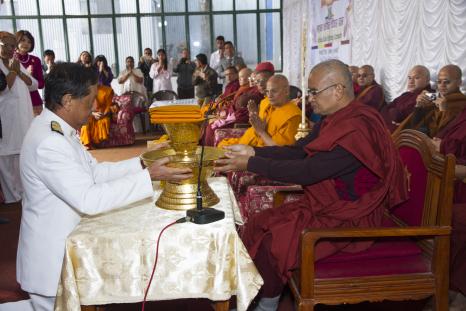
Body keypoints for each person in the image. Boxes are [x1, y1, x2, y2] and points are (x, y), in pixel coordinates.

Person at [214, 59, 408, 311]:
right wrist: (253, 151)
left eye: (314, 92)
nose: (309, 99)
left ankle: (267, 306)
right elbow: (298, 151)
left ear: (338, 90)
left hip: (350, 219)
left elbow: (308, 171)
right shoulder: (334, 119)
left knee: (273, 243)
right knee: (257, 223)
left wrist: (250, 164)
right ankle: (261, 299)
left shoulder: (356, 128)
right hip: (327, 206)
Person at [16, 62, 193, 311]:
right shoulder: (49, 142)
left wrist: (142, 164)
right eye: (88, 104)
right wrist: (149, 178)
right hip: (51, 263)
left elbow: (94, 172)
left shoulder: (59, 130)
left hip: (67, 252)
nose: (92, 110)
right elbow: (89, 199)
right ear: (68, 101)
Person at [0, 31, 37, 204]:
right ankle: (11, 198)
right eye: (5, 45)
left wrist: (19, 72)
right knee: (6, 158)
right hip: (6, 119)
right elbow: (4, 89)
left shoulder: (15, 63)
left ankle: (22, 195)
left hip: (23, 117)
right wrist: (14, 72)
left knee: (22, 156)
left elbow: (34, 85)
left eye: (12, 46)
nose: (9, 49)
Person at [217, 74, 301, 148]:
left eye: (274, 91)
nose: (269, 95)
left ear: (286, 91)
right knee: (221, 146)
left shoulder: (292, 116)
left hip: (263, 154)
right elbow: (257, 128)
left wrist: (261, 132)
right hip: (249, 142)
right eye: (267, 91)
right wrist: (255, 115)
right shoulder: (266, 103)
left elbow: (279, 150)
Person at [394, 64, 466, 138]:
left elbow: (446, 134)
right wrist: (418, 106)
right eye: (439, 82)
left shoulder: (462, 103)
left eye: (447, 82)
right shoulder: (434, 97)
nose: (442, 85)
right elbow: (415, 125)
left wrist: (443, 110)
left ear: (459, 83)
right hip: (420, 138)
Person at [203, 67, 263, 146]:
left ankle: (209, 152)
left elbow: (245, 111)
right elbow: (233, 102)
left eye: (254, 79)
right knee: (207, 121)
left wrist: (228, 113)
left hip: (238, 119)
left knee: (210, 126)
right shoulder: (245, 89)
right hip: (230, 112)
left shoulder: (255, 93)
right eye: (250, 78)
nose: (251, 80)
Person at [380, 65, 433, 132]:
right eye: (410, 78)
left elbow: (414, 118)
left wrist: (394, 114)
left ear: (427, 80)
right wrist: (393, 115)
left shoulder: (430, 95)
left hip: (406, 133)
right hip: (391, 127)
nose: (411, 82)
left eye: (416, 78)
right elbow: (385, 109)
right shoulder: (406, 95)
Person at [14, 30, 44, 116]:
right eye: (23, 40)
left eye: (29, 42)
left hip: (34, 102)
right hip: (17, 101)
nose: (26, 43)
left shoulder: (36, 60)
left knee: (36, 128)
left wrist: (31, 79)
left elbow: (41, 84)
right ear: (17, 41)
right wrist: (25, 75)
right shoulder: (10, 59)